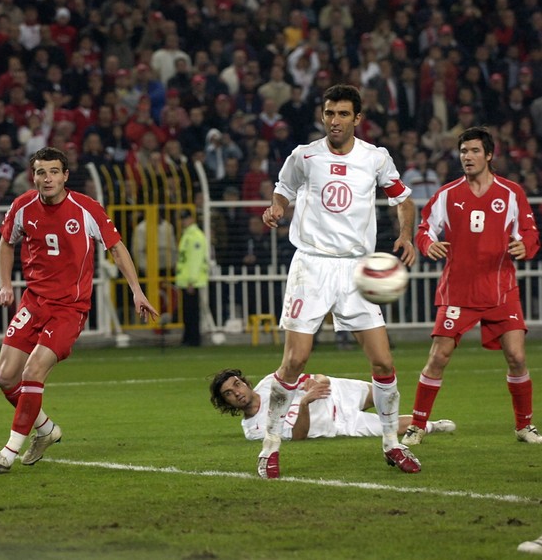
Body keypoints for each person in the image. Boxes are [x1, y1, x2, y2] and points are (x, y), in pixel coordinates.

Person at [258, 84, 419, 479]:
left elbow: (403, 199)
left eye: (343, 114)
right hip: (311, 265)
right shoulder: (304, 156)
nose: (335, 121)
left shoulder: (375, 158)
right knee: (295, 360)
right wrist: (276, 209)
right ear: (323, 116)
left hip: (356, 268)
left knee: (383, 360)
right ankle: (270, 447)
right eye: (330, 113)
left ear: (357, 119)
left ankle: (391, 444)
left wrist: (406, 234)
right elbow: (283, 192)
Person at [0, 146, 157, 474]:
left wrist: (137, 291)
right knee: (4, 377)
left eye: (53, 172)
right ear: (33, 177)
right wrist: (6, 285)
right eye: (41, 172)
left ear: (65, 176)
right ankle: (46, 431)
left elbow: (116, 248)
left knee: (32, 373)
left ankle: (7, 453)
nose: (47, 179)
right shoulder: (22, 206)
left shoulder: (86, 209)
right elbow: (6, 242)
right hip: (33, 302)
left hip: (68, 309)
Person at [403, 126, 542, 447]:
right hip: (459, 291)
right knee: (438, 357)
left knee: (517, 357)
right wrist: (427, 245)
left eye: (474, 151)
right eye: (464, 151)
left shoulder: (511, 193)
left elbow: (529, 233)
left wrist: (526, 247)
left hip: (500, 288)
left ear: (489, 155)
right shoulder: (447, 194)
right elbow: (424, 229)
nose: (467, 157)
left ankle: (524, 426)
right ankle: (418, 425)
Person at [210, 368, 456, 441]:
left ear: (244, 382)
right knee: (393, 427)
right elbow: (298, 436)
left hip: (335, 393)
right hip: (337, 424)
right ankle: (432, 425)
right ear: (226, 403)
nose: (237, 393)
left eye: (237, 385)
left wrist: (318, 381)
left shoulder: (268, 383)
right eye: (229, 394)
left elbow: (314, 377)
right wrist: (305, 403)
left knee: (386, 394)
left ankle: (423, 418)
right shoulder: (253, 429)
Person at [175, 209, 208, 347]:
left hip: (191, 281)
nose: (183, 222)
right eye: (182, 219)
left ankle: (193, 339)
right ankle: (188, 337)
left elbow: (195, 261)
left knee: (192, 312)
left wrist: (191, 281)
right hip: (186, 280)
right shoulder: (188, 235)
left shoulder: (194, 236)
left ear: (191, 219)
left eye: (185, 218)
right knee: (188, 312)